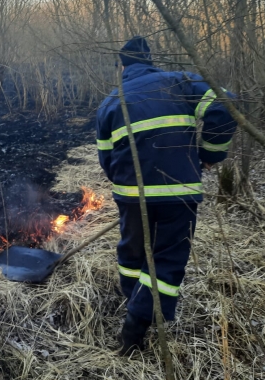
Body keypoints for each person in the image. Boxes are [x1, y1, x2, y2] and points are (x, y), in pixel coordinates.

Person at [96, 36, 237, 355]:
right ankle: (135, 327)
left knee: (132, 254)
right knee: (167, 260)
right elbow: (225, 103)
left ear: (122, 67)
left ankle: (133, 305)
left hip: (131, 195)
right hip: (178, 194)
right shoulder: (180, 82)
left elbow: (106, 160)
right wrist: (210, 154)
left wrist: (127, 190)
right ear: (150, 61)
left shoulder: (110, 102)